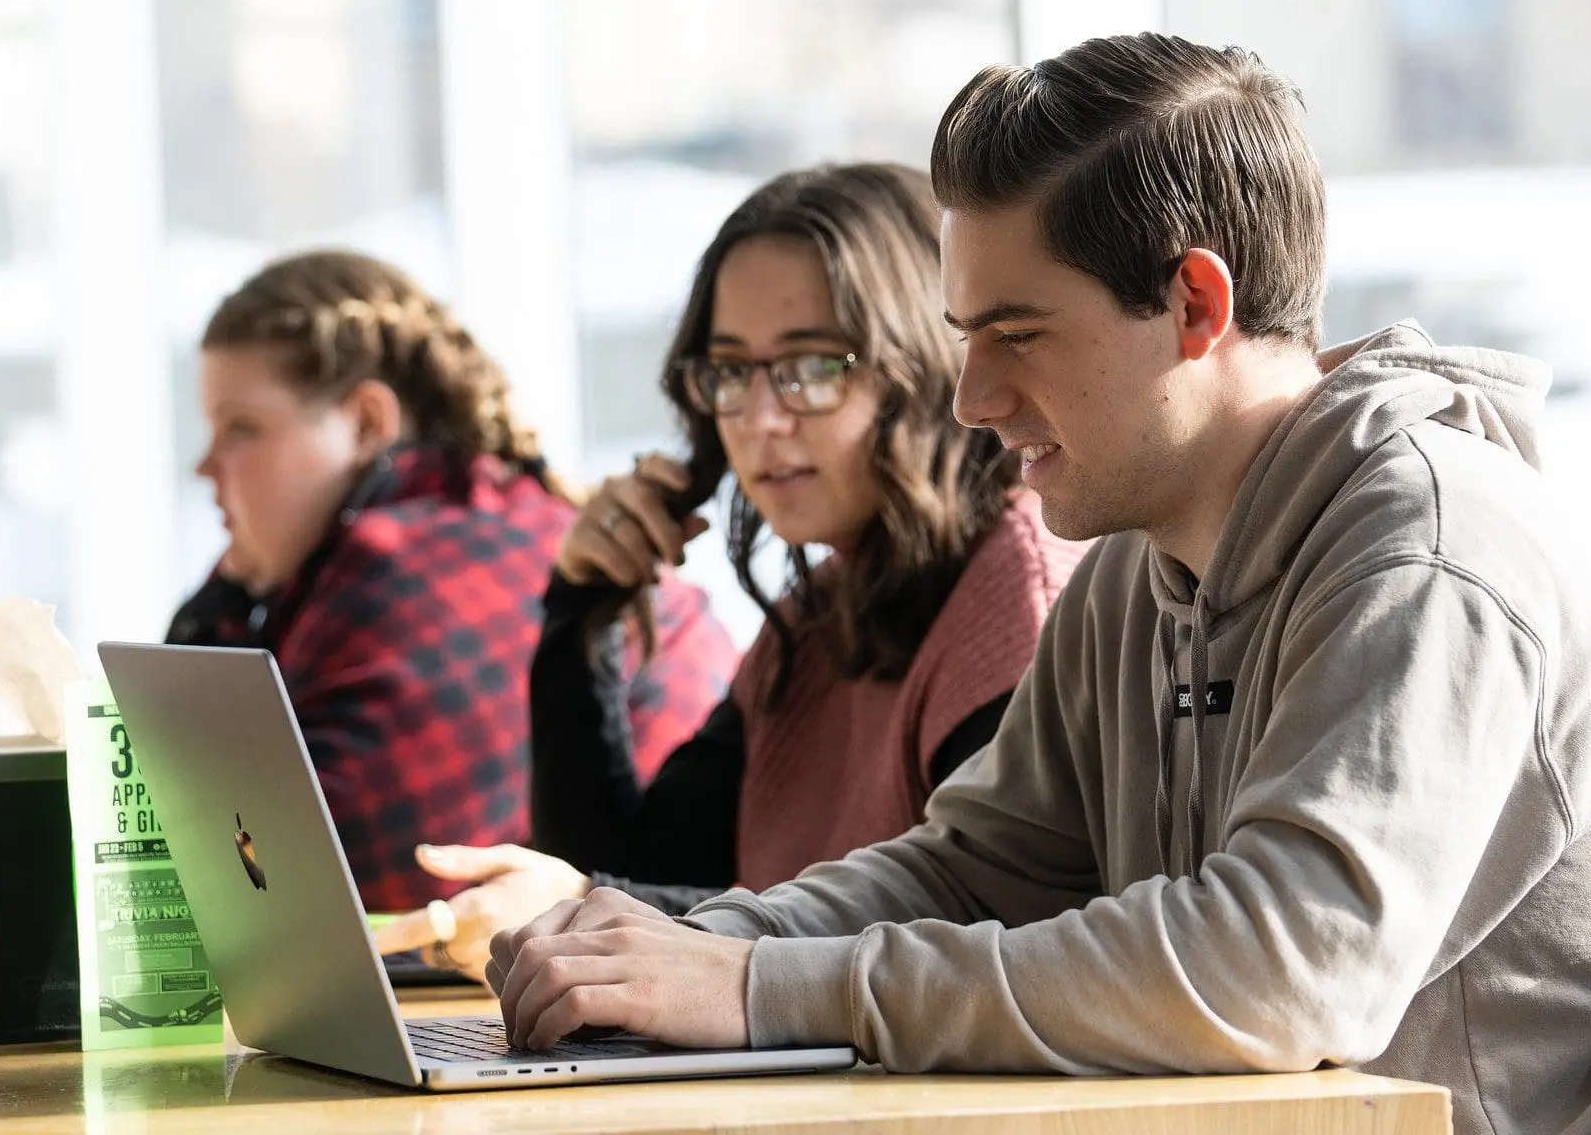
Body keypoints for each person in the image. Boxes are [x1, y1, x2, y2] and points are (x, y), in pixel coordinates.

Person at [483, 35, 1591, 1135]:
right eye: (964, 336)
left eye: (1017, 334)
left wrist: (758, 987)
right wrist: (682, 952)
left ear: (1194, 305)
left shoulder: (1428, 553)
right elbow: (965, 871)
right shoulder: (1136, 566)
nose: (970, 399)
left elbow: (1277, 970)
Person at [370, 163, 1090, 978]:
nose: (759, 419)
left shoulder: (1019, 601)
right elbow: (636, 864)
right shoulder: (822, 611)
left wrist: (588, 900)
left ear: (927, 364)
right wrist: (584, 612)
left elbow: (961, 936)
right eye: (730, 371)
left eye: (813, 366)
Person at [165, 250, 737, 911]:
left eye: (241, 428)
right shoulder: (505, 514)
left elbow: (282, 885)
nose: (206, 466)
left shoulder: (404, 564)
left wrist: (214, 615)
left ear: (366, 422)